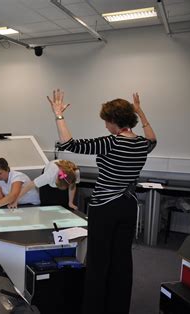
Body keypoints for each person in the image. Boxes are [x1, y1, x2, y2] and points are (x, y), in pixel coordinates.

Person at [46, 89, 156, 314]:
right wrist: (140, 112)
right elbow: (153, 138)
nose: (105, 125)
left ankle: (95, 308)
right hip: (128, 206)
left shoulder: (110, 142)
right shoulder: (142, 144)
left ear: (114, 121)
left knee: (98, 260)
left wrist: (58, 115)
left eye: (106, 121)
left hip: (104, 207)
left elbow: (68, 144)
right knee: (122, 259)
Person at [10, 159, 80, 210]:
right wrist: (16, 201)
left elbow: (72, 187)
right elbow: (29, 186)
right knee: (46, 204)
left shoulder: (75, 172)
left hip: (65, 176)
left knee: (64, 204)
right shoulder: (48, 176)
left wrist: (70, 202)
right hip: (49, 180)